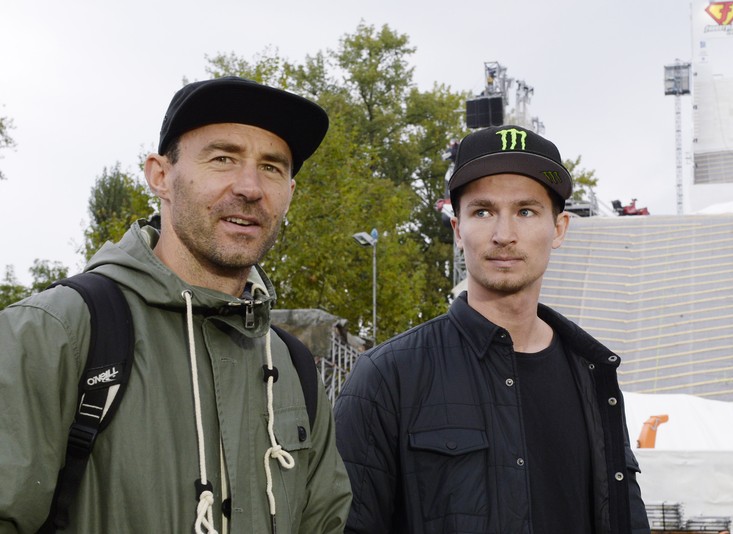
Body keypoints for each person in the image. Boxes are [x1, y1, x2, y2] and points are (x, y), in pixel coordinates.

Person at [0, 76, 351, 533]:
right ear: (160, 176)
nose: (249, 187)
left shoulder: (293, 368)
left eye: (272, 167)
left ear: (289, 193)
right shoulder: (54, 333)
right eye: (223, 158)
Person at [334, 125, 650, 534]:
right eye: (482, 211)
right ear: (457, 230)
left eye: (526, 211)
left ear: (558, 229)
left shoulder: (595, 375)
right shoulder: (388, 376)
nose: (504, 235)